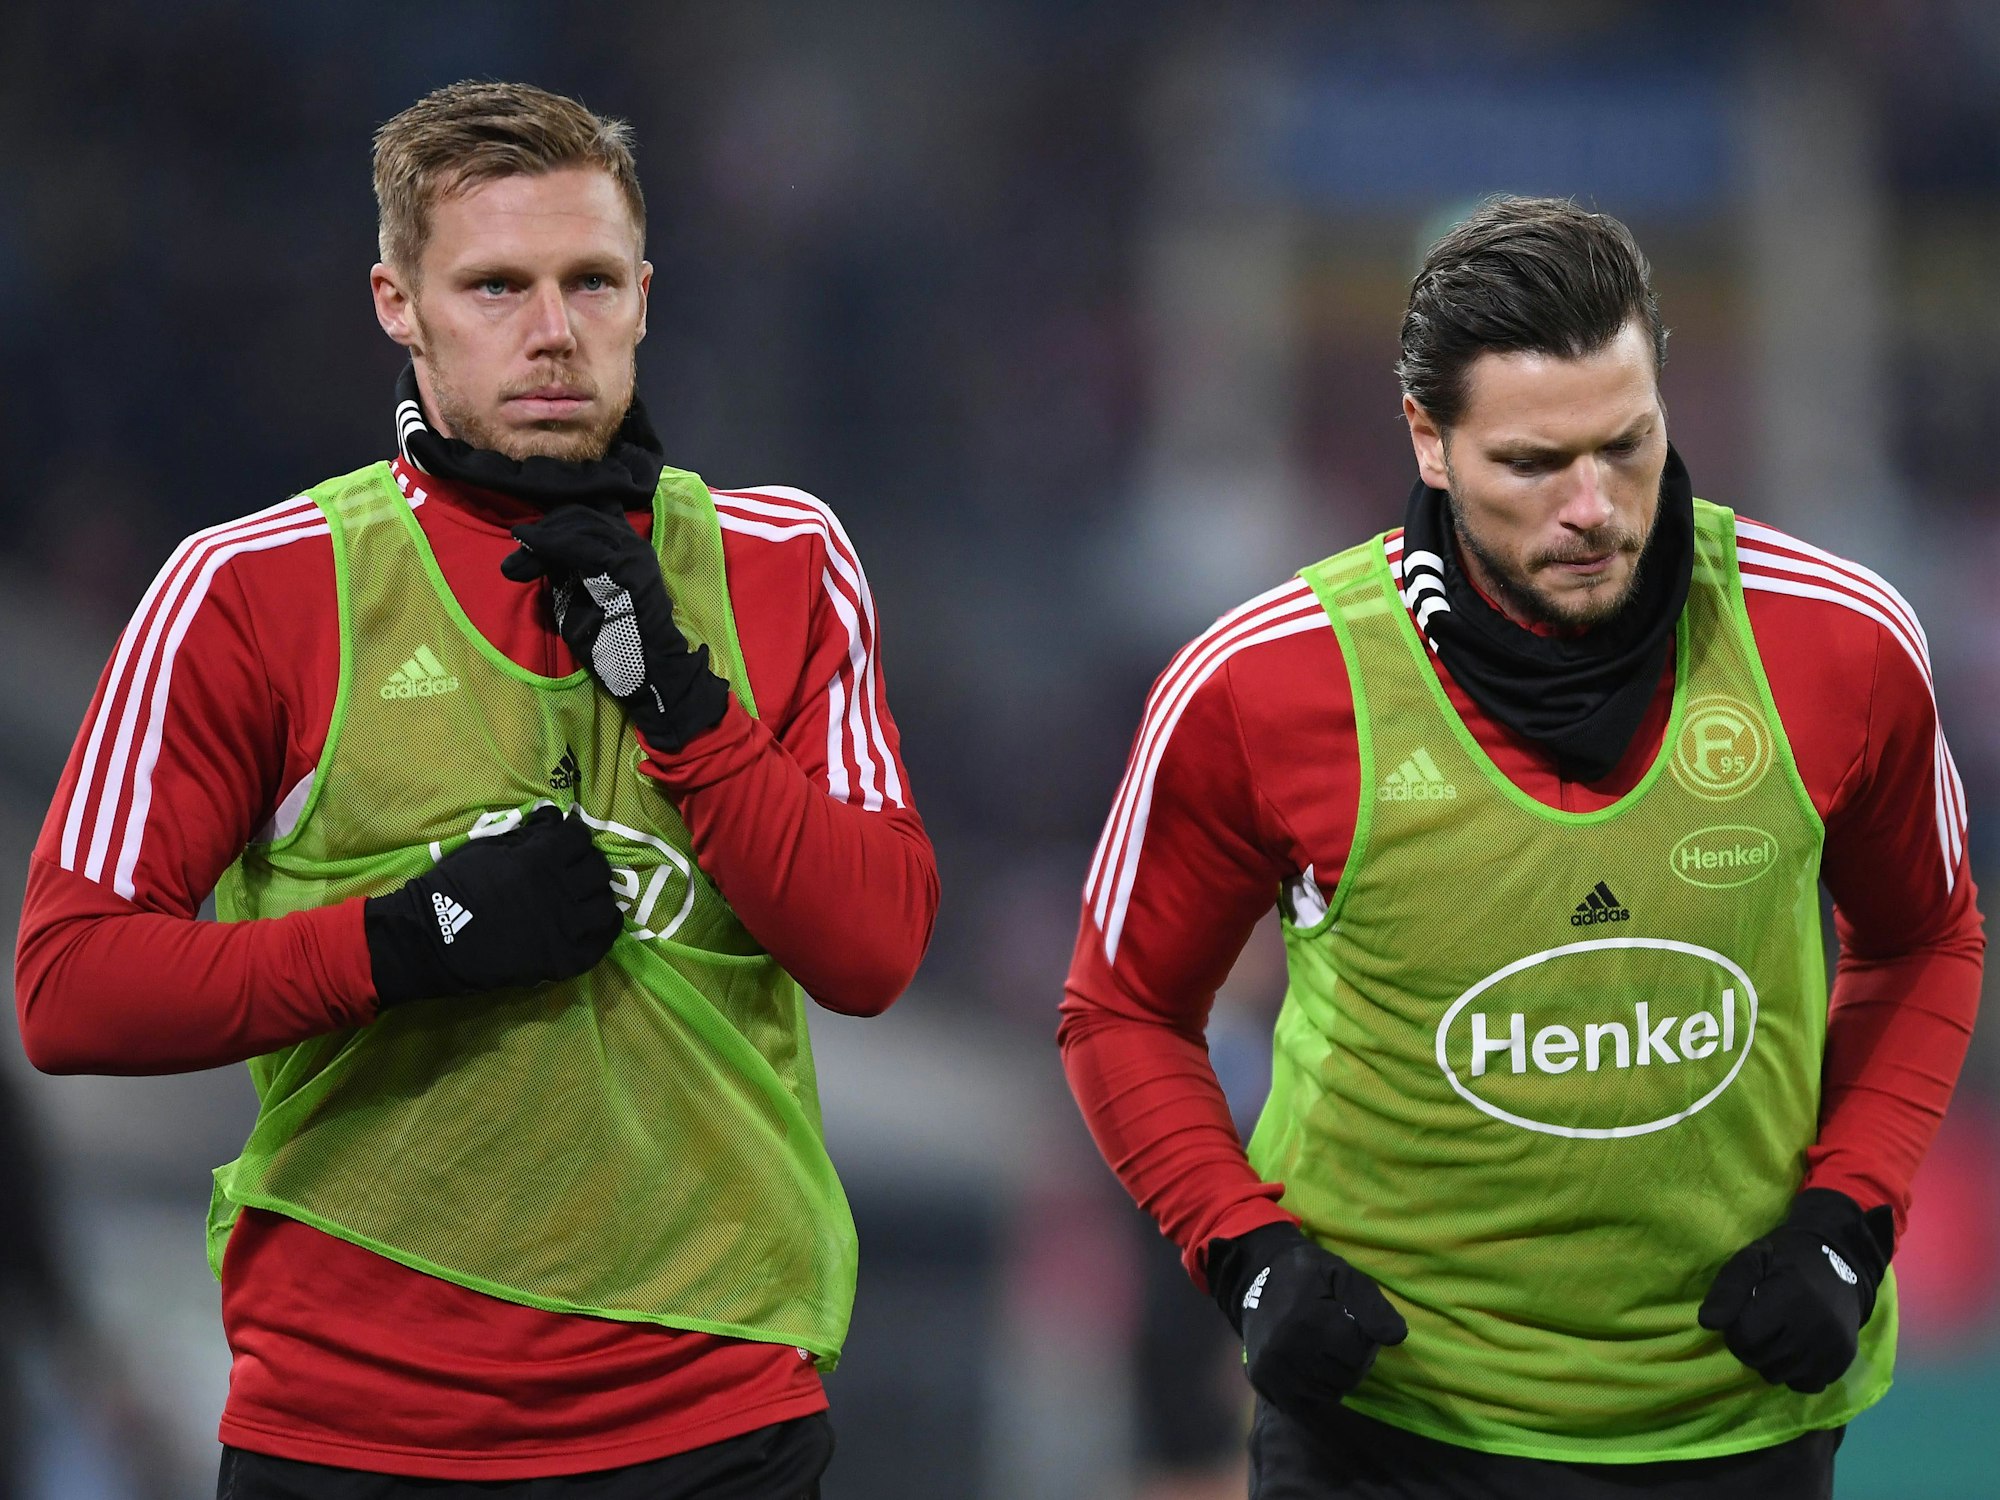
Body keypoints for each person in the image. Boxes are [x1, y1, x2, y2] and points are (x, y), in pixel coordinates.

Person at [15, 80, 937, 1499]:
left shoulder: (784, 560)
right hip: (354, 1425)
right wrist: (408, 940)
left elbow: (872, 953)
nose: (552, 330)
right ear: (398, 303)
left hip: (711, 1413)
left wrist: (686, 706)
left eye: (589, 281)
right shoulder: (251, 591)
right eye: (495, 284)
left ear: (645, 293)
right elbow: (70, 987)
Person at [1058, 196, 1983, 1498]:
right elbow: (1122, 1010)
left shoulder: (1841, 644)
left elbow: (1927, 938)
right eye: (1534, 464)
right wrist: (1246, 1253)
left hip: (1738, 1421)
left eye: (1628, 445)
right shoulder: (1259, 688)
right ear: (1428, 442)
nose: (1594, 508)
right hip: (1384, 1437)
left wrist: (1851, 1220)